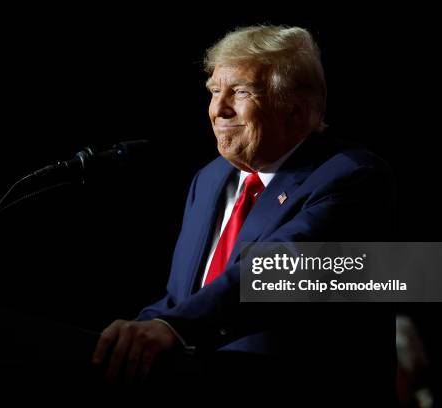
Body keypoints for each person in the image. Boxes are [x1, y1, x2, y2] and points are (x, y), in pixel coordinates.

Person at [92, 25, 395, 400]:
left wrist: (172, 327)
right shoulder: (210, 179)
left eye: (241, 91)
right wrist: (127, 338)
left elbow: (278, 272)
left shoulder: (350, 177)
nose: (219, 109)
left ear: (296, 111)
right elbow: (180, 299)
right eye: (215, 91)